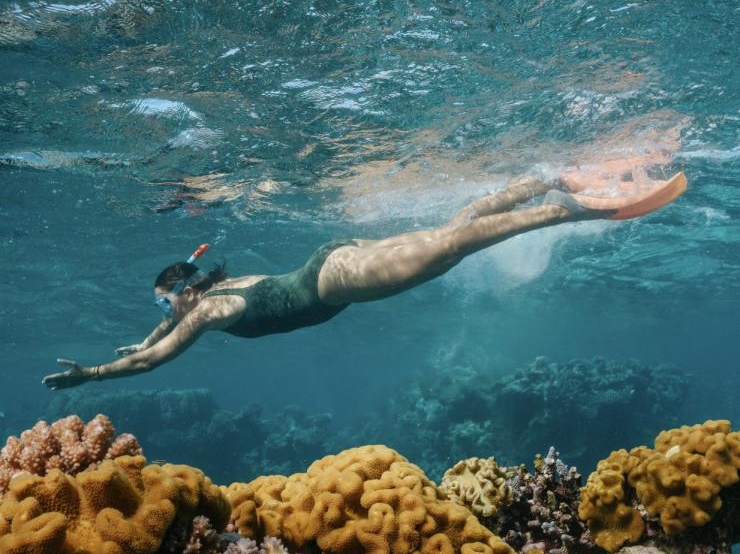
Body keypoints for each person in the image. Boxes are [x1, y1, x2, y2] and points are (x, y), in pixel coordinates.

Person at [42, 167, 687, 390]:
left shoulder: (207, 313)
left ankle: (576, 209)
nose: (167, 314)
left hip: (341, 279)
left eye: (166, 304)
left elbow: (155, 359)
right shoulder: (212, 294)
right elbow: (160, 335)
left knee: (453, 245)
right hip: (335, 258)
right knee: (451, 233)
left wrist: (93, 374)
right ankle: (547, 178)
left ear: (187, 293)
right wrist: (146, 334)